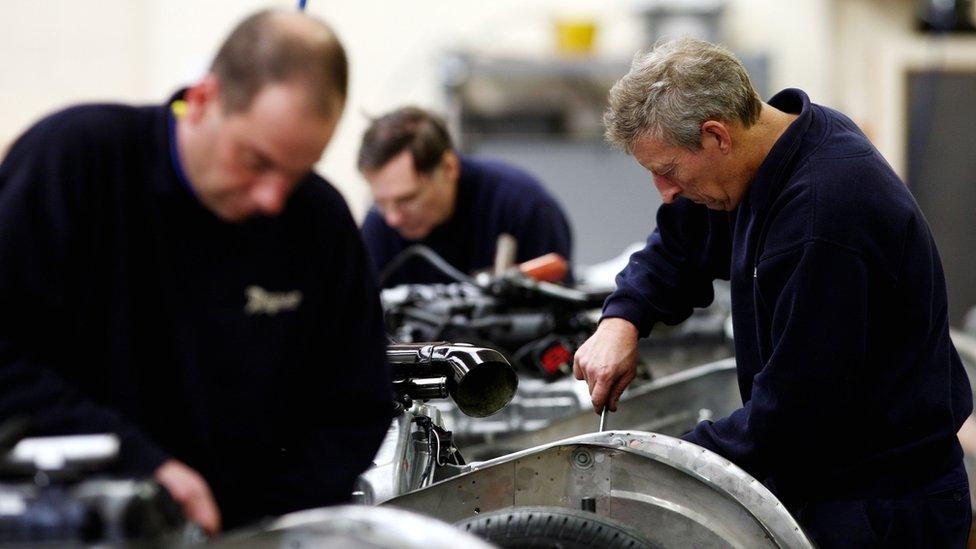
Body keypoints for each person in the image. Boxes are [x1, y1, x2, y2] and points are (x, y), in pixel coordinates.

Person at [0, 10, 392, 535]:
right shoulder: (76, 162)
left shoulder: (318, 223)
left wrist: (261, 528)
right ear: (204, 99)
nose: (272, 199)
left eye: (297, 174)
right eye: (256, 161)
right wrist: (139, 465)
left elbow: (356, 401)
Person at [573, 37, 972, 546]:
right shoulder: (770, 150)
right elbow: (680, 245)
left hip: (879, 511)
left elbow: (794, 419)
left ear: (716, 135)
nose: (666, 191)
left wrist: (651, 463)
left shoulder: (822, 216)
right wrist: (621, 320)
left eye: (668, 170)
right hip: (830, 484)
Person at [357, 106, 573, 287]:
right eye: (380, 203)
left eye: (407, 199)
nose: (393, 219)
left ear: (449, 168)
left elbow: (559, 317)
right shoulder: (378, 225)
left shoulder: (524, 208)